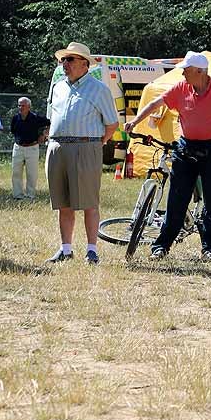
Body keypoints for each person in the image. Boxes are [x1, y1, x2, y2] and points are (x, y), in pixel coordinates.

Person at [126, 51, 211, 261]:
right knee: (177, 198)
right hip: (186, 149)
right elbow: (156, 103)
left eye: (186, 70)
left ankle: (209, 248)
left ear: (200, 71)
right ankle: (161, 246)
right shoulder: (181, 88)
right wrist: (135, 121)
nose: (182, 73)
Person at [44, 42, 119, 264]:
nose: (64, 64)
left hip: (86, 146)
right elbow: (52, 117)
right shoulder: (58, 87)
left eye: (70, 59)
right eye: (63, 60)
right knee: (63, 202)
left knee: (89, 202)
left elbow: (112, 124)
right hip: (57, 147)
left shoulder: (99, 89)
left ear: (84, 64)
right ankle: (66, 249)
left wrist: (98, 143)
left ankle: (91, 250)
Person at [10, 97, 50, 199]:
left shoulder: (35, 118)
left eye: (23, 105)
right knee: (16, 172)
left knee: (32, 173)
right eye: (19, 105)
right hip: (18, 147)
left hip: (32, 147)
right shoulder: (15, 118)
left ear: (29, 106)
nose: (20, 107)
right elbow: (13, 131)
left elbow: (49, 123)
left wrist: (43, 135)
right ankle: (17, 195)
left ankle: (30, 195)